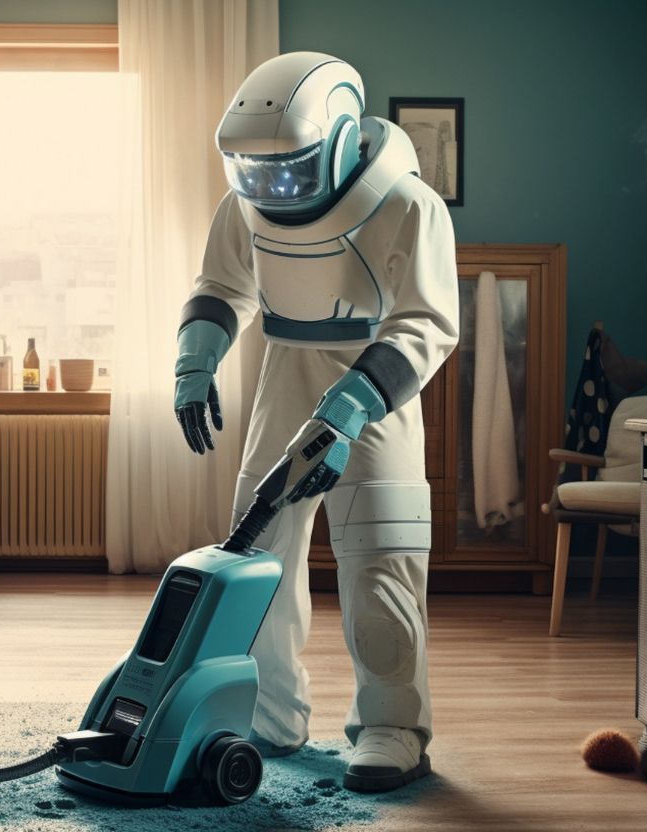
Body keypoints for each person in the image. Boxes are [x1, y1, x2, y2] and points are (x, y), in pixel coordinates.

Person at [173, 51, 459, 792]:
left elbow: (428, 322)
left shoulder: (407, 204)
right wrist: (195, 361)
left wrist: (353, 406)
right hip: (286, 376)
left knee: (382, 560)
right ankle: (270, 713)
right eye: (253, 171)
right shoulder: (244, 204)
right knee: (256, 553)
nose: (270, 186)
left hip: (373, 387)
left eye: (287, 170)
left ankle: (393, 725)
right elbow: (221, 285)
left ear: (336, 143)